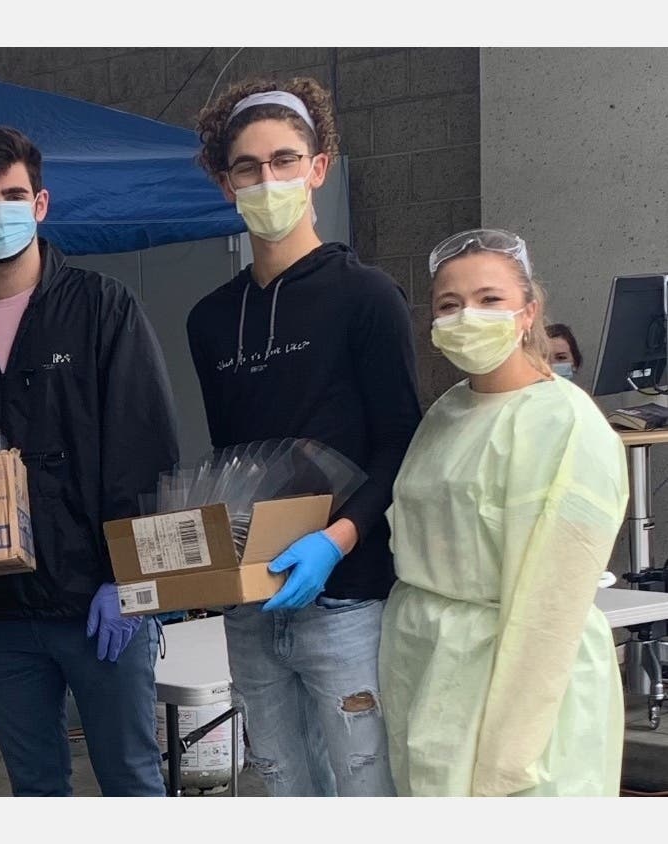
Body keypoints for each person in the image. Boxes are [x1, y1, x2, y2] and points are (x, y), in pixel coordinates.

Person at [0, 126, 179, 797]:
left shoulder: (99, 307)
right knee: (34, 786)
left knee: (130, 780)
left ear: (40, 204)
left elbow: (144, 446)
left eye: (12, 194)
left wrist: (130, 579)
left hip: (96, 602)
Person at [188, 78, 421, 796]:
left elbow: (400, 445)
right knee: (281, 784)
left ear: (318, 168)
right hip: (252, 605)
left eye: (285, 161)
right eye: (248, 168)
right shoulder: (209, 319)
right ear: (224, 183)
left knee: (363, 787)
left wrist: (336, 539)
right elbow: (232, 460)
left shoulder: (365, 295)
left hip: (346, 598)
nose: (268, 181)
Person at [380, 228, 628, 796]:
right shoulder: (447, 411)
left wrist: (509, 753)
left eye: (490, 299)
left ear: (528, 312)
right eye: (450, 304)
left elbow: (550, 608)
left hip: (520, 680)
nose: (468, 315)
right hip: (431, 665)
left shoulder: (565, 425)